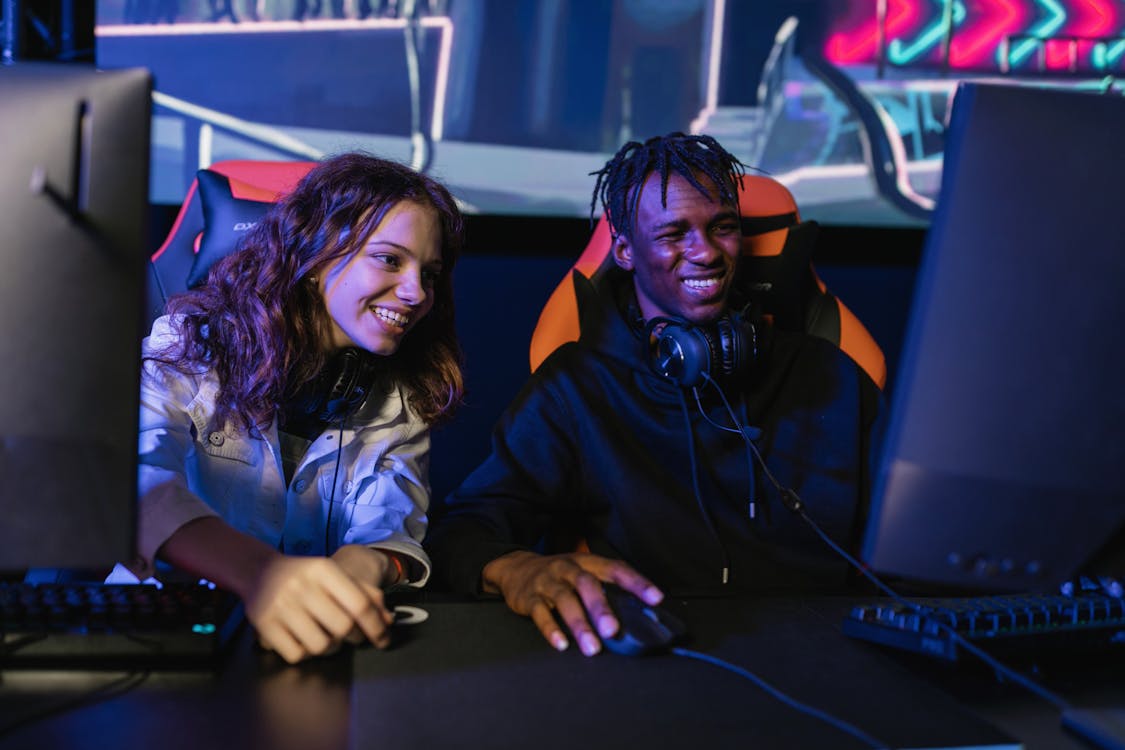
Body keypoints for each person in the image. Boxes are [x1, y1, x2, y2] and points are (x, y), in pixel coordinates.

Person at [425, 133, 881, 656]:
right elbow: (462, 531)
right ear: (624, 250)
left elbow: (924, 531)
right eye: (673, 234)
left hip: (827, 653)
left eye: (722, 228)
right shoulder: (577, 388)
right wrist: (519, 569)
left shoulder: (827, 372)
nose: (706, 252)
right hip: (659, 655)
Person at [112, 152, 465, 664]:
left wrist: (355, 573)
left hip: (307, 645)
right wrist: (263, 575)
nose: (415, 293)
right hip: (160, 638)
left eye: (429, 274)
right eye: (390, 259)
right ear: (318, 259)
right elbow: (131, 482)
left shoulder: (399, 392)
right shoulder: (189, 346)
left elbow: (392, 531)